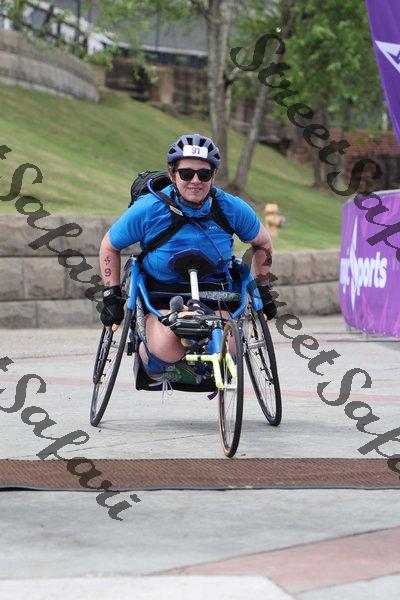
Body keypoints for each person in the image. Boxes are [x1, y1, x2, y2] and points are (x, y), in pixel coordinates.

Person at [99, 133, 277, 381]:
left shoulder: (231, 208)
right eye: (186, 174)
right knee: (167, 349)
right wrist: (111, 295)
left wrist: (263, 289)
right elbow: (109, 246)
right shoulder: (149, 208)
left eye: (204, 174)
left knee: (228, 347)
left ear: (213, 175)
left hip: (216, 295)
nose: (195, 181)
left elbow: (263, 243)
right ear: (172, 174)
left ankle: (202, 344)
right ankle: (157, 351)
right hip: (161, 295)